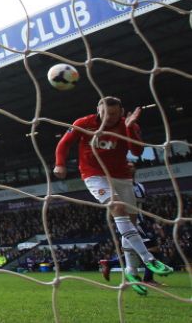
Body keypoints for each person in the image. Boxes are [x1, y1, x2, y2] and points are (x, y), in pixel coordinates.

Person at [53, 96, 173, 295]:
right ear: (98, 111)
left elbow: (137, 150)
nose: (110, 118)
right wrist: (60, 163)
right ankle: (149, 259)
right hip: (94, 174)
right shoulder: (84, 123)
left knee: (131, 224)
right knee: (117, 207)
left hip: (122, 176)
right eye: (106, 114)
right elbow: (64, 143)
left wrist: (130, 126)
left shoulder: (128, 125)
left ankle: (131, 272)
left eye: (115, 114)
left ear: (121, 112)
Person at [99, 163, 167, 288]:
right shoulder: (117, 185)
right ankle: (148, 279)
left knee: (139, 250)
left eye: (132, 165)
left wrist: (154, 223)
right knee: (153, 250)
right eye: (127, 165)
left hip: (141, 220)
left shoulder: (140, 186)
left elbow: (142, 207)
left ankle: (110, 263)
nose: (130, 167)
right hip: (129, 221)